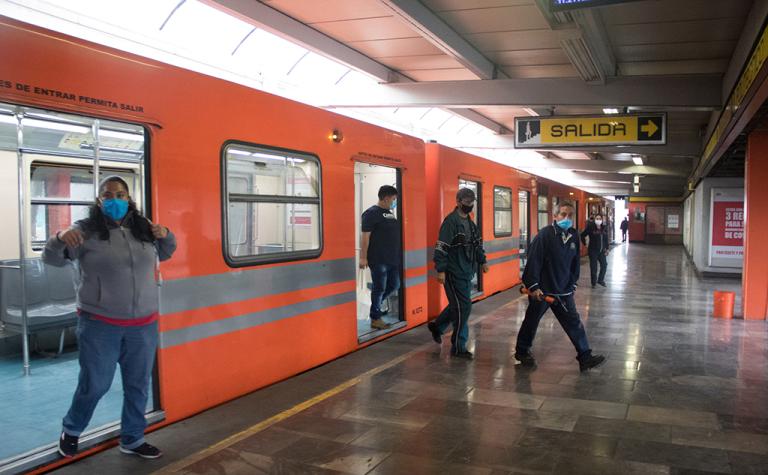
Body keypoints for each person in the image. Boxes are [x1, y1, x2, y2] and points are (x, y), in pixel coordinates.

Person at [43, 176, 177, 459]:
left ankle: (133, 438)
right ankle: (72, 429)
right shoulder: (84, 231)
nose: (114, 199)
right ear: (99, 200)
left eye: (120, 194)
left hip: (144, 324)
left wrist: (166, 234)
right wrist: (57, 238)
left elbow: (165, 252)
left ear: (129, 198)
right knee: (95, 384)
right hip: (100, 324)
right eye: (108, 195)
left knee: (138, 385)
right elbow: (52, 259)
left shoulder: (143, 228)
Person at [515, 201, 606, 372]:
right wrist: (533, 286)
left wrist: (573, 283)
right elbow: (533, 261)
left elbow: (575, 263)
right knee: (531, 321)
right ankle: (522, 351)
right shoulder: (545, 235)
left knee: (574, 322)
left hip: (564, 291)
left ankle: (585, 356)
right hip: (543, 291)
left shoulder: (573, 235)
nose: (566, 218)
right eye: (563, 214)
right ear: (555, 216)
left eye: (570, 215)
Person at [427, 188, 489, 359]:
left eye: (471, 202)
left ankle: (438, 327)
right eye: (466, 201)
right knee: (464, 307)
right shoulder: (451, 222)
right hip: (453, 272)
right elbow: (441, 247)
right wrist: (440, 270)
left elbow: (477, 244)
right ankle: (459, 346)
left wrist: (482, 260)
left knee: (459, 305)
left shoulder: (470, 224)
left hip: (467, 272)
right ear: (458, 201)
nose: (469, 205)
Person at [360, 185, 400, 330]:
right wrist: (363, 257)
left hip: (392, 259)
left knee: (395, 285)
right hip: (378, 259)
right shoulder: (371, 213)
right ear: (386, 198)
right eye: (394, 199)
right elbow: (365, 236)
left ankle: (374, 307)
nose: (394, 202)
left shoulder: (389, 213)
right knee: (379, 288)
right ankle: (375, 318)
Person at [581, 214, 610, 288]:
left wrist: (607, 248)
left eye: (600, 218)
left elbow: (606, 239)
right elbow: (582, 235)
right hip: (593, 251)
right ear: (594, 220)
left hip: (602, 251)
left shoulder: (604, 228)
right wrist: (585, 244)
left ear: (602, 220)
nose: (598, 220)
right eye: (597, 218)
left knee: (604, 265)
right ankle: (593, 283)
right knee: (594, 267)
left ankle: (600, 280)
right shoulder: (590, 227)